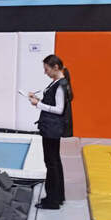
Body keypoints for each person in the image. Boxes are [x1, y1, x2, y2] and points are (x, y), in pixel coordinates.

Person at [28, 54, 73, 210]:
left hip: (52, 129)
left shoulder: (60, 84)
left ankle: (52, 200)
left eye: (46, 69)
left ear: (55, 67)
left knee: (51, 163)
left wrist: (38, 104)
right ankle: (58, 196)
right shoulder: (57, 82)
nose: (45, 72)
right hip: (51, 127)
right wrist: (38, 99)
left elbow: (59, 109)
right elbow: (53, 102)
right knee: (54, 161)